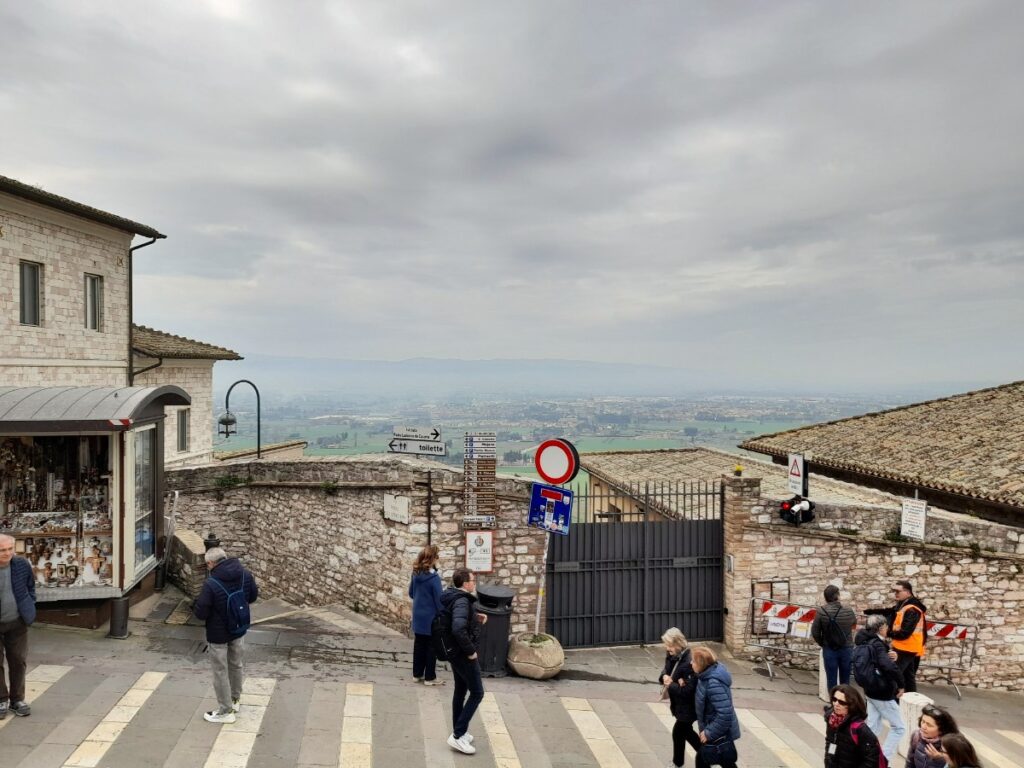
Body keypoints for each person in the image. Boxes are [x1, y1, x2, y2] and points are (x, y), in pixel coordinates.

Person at [193, 546, 258, 724]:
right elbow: (253, 597)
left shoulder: (211, 583)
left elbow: (201, 613)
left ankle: (225, 710)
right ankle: (235, 700)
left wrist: (196, 604)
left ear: (211, 563)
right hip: (238, 627)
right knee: (236, 664)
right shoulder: (245, 574)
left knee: (220, 671)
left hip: (218, 633)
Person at [440, 567, 488, 755]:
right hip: (463, 654)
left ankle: (460, 730)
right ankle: (458, 735)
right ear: (465, 583)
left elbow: (458, 618)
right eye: (472, 581)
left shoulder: (452, 596)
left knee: (460, 690)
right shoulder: (461, 600)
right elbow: (458, 628)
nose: (474, 583)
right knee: (477, 693)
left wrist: (476, 618)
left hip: (454, 652)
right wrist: (471, 652)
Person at [854, 614, 905, 762]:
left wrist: (892, 655)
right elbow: (886, 666)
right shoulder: (877, 643)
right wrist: (901, 684)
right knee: (899, 728)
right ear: (881, 628)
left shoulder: (865, 640)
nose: (888, 629)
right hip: (882, 692)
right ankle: (883, 759)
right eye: (887, 626)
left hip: (870, 690)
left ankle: (862, 756)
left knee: (873, 727)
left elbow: (879, 660)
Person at [866, 580, 927, 692]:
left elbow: (904, 633)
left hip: (906, 647)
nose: (896, 594)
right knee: (908, 677)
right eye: (894, 591)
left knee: (893, 675)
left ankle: (890, 700)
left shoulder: (912, 609)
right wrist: (870, 611)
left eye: (898, 591)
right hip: (906, 646)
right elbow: (891, 611)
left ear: (908, 592)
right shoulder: (904, 604)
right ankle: (910, 700)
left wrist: (887, 633)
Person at [0, 534, 36, 719]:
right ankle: (1, 700)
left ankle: (17, 699)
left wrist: (30, 605)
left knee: (18, 660)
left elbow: (31, 587)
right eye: (2, 550)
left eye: (9, 549)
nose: (7, 553)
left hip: (17, 620)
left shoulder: (21, 564)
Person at [691, 646, 740, 768]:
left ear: (700, 665)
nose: (691, 663)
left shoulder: (713, 683)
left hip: (717, 730)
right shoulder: (705, 676)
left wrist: (709, 732)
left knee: (704, 759)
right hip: (713, 727)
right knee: (723, 761)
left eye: (693, 661)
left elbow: (725, 714)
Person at [659, 628, 700, 768]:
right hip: (679, 704)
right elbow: (667, 669)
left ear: (678, 643)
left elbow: (688, 690)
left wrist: (671, 684)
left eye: (669, 645)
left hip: (688, 706)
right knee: (683, 733)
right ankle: (681, 762)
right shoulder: (672, 654)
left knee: (679, 732)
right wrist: (664, 676)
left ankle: (707, 755)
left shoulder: (689, 662)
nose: (667, 648)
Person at [409, 545, 444, 686]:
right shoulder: (434, 579)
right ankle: (430, 677)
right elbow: (439, 601)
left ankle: (417, 674)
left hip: (418, 615)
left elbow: (411, 593)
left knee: (419, 645)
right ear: (432, 559)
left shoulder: (415, 574)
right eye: (437, 557)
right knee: (431, 647)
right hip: (431, 618)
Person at [824, 684, 883, 768]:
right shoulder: (832, 720)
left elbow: (872, 758)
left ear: (851, 705)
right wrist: (828, 762)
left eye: (842, 702)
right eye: (834, 699)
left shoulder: (859, 728)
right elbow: (829, 743)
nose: (836, 704)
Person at [811, 584, 857, 689]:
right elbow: (854, 625)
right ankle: (845, 702)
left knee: (831, 678)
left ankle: (833, 703)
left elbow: (815, 632)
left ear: (825, 597)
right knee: (845, 679)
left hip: (829, 648)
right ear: (838, 595)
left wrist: (822, 643)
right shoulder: (848, 610)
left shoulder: (821, 611)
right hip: (846, 647)